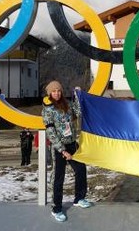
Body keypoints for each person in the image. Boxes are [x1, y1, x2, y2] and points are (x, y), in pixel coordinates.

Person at [42, 80, 91, 222]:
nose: (56, 93)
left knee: (81, 169)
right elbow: (50, 132)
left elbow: (78, 112)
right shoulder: (48, 109)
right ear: (49, 93)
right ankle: (56, 208)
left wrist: (77, 96)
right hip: (59, 148)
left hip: (71, 144)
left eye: (58, 91)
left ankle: (79, 198)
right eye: (54, 91)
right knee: (58, 178)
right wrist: (63, 151)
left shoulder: (66, 104)